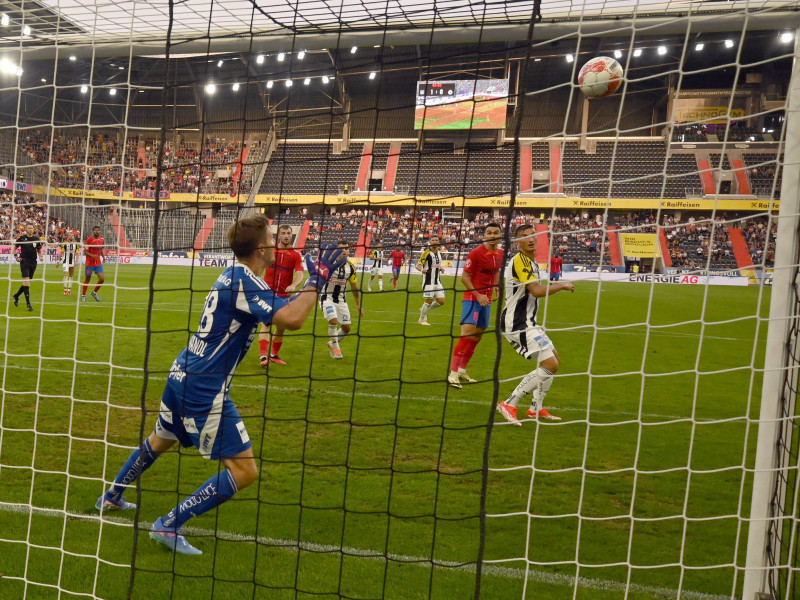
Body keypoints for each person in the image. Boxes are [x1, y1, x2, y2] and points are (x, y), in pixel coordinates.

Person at [94, 215, 348, 556]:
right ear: (261, 247)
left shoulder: (233, 274)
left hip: (181, 373)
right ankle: (169, 524)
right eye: (272, 238)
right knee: (244, 471)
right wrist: (316, 281)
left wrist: (307, 285)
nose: (276, 242)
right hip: (204, 387)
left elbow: (282, 310)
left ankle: (111, 496)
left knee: (160, 439)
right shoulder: (245, 281)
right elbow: (292, 319)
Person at [496, 224, 574, 425]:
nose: (531, 239)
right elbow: (536, 290)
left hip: (528, 322)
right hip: (516, 322)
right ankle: (509, 403)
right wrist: (561, 285)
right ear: (517, 242)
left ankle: (535, 409)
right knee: (550, 364)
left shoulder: (532, 263)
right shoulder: (520, 261)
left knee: (553, 359)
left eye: (534, 235)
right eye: (525, 236)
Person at [448, 223, 504, 389]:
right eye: (489, 233)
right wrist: (478, 295)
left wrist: (497, 288)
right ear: (484, 235)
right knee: (467, 333)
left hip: (486, 300)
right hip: (472, 299)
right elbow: (464, 277)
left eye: (496, 233)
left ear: (500, 235)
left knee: (478, 335)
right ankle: (453, 374)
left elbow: (496, 272)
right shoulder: (476, 253)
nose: (492, 235)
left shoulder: (501, 253)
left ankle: (462, 369)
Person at [258, 224, 304, 366]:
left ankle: (274, 355)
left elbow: (300, 273)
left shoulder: (296, 255)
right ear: (279, 235)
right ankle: (263, 357)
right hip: (268, 294)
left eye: (288, 233)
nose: (285, 235)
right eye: (283, 233)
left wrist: (294, 285)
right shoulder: (270, 251)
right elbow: (258, 266)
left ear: (292, 235)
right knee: (266, 324)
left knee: (281, 328)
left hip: (284, 296)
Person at [320, 240, 363, 359]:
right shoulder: (328, 264)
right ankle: (336, 350)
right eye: (341, 248)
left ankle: (332, 343)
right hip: (326, 297)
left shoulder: (351, 267)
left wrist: (358, 305)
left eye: (347, 248)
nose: (344, 251)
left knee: (346, 328)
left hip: (341, 300)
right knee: (333, 321)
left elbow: (354, 287)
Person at [12, 223, 43, 311]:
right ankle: (28, 304)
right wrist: (16, 257)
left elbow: (39, 250)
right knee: (26, 282)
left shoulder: (36, 239)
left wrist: (40, 256)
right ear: (26, 229)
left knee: (27, 283)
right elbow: (14, 249)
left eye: (31, 228)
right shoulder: (22, 238)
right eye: (28, 228)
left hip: (33, 262)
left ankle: (16, 295)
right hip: (24, 261)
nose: (30, 229)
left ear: (33, 229)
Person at [416, 236, 445, 326]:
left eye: (436, 240)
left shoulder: (440, 253)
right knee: (428, 300)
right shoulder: (426, 253)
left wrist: (440, 268)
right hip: (428, 282)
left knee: (441, 301)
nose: (435, 241)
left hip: (437, 282)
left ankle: (424, 308)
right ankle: (421, 319)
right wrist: (422, 270)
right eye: (433, 240)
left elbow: (435, 265)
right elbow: (418, 265)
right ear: (430, 242)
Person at [82, 226, 105, 302]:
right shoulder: (89, 240)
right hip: (89, 263)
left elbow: (101, 249)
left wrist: (103, 257)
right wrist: (92, 255)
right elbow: (85, 251)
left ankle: (94, 293)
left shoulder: (102, 240)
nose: (97, 232)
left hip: (98, 263)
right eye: (95, 230)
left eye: (98, 230)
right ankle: (83, 295)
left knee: (102, 279)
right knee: (87, 279)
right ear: (93, 231)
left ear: (100, 231)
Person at [61, 231, 79, 295]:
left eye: (72, 235)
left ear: (74, 236)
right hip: (65, 261)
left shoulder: (76, 244)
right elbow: (61, 252)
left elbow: (77, 253)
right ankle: (65, 289)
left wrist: (76, 261)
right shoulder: (64, 243)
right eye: (70, 235)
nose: (71, 236)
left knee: (71, 276)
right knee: (66, 274)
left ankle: (69, 289)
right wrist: (58, 261)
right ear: (68, 236)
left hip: (72, 262)